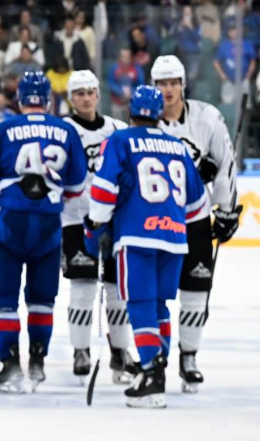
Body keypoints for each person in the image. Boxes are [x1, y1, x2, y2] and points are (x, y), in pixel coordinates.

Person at [85, 85, 208, 408]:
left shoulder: (120, 140)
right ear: (158, 114)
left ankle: (152, 375)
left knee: (139, 304)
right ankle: (156, 369)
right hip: (174, 238)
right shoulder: (178, 146)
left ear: (130, 111)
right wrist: (171, 220)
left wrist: (96, 222)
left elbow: (104, 188)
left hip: (136, 235)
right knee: (158, 306)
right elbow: (197, 204)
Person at [0, 72, 86, 393]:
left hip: (11, 220)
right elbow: (77, 186)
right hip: (49, 223)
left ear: (19, 99)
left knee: (4, 296)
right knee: (42, 298)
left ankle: (10, 363)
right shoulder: (66, 130)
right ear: (48, 100)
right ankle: (37, 360)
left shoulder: (1, 129)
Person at [151, 55, 241, 392]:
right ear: (154, 86)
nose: (168, 89)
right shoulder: (144, 120)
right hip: (156, 221)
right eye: (162, 83)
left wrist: (227, 209)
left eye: (174, 82)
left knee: (196, 291)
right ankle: (154, 357)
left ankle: (189, 357)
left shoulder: (207, 117)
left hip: (195, 217)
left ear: (183, 84)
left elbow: (225, 162)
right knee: (155, 294)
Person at [60, 70, 135, 383]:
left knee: (117, 290)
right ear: (71, 98)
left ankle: (120, 351)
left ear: (98, 95)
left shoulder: (117, 129)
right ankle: (81, 351)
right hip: (76, 218)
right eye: (79, 93)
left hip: (115, 220)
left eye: (90, 92)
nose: (86, 98)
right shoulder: (63, 130)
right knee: (83, 287)